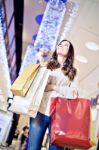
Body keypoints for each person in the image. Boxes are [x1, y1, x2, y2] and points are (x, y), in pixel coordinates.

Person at [28, 39, 78, 150]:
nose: (61, 45)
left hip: (59, 115)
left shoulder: (72, 72)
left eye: (66, 45)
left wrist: (53, 87)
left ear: (69, 52)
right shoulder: (47, 66)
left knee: (56, 149)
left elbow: (74, 93)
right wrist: (41, 60)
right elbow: (38, 84)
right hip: (39, 111)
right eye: (60, 44)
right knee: (32, 147)